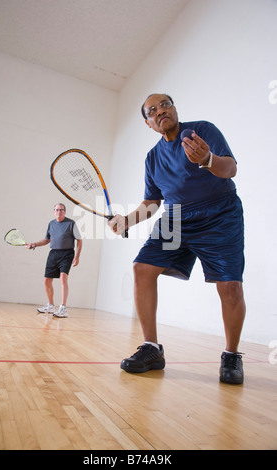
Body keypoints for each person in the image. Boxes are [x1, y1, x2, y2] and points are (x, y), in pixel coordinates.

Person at [108, 93, 246, 384]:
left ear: (174, 108)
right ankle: (152, 348)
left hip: (220, 215)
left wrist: (208, 159)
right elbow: (152, 202)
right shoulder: (152, 158)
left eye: (165, 105)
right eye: (152, 110)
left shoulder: (202, 131)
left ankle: (231, 355)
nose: (161, 111)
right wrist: (126, 220)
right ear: (148, 123)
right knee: (142, 268)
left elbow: (230, 169)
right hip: (176, 220)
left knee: (230, 286)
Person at [26, 203, 83, 318]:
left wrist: (77, 256)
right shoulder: (51, 224)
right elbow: (47, 240)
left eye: (61, 210)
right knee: (46, 280)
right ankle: (50, 305)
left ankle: (63, 308)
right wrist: (34, 244)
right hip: (53, 253)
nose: (59, 212)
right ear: (54, 212)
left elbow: (79, 240)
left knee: (63, 277)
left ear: (65, 212)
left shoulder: (71, 223)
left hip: (67, 253)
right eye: (56, 210)